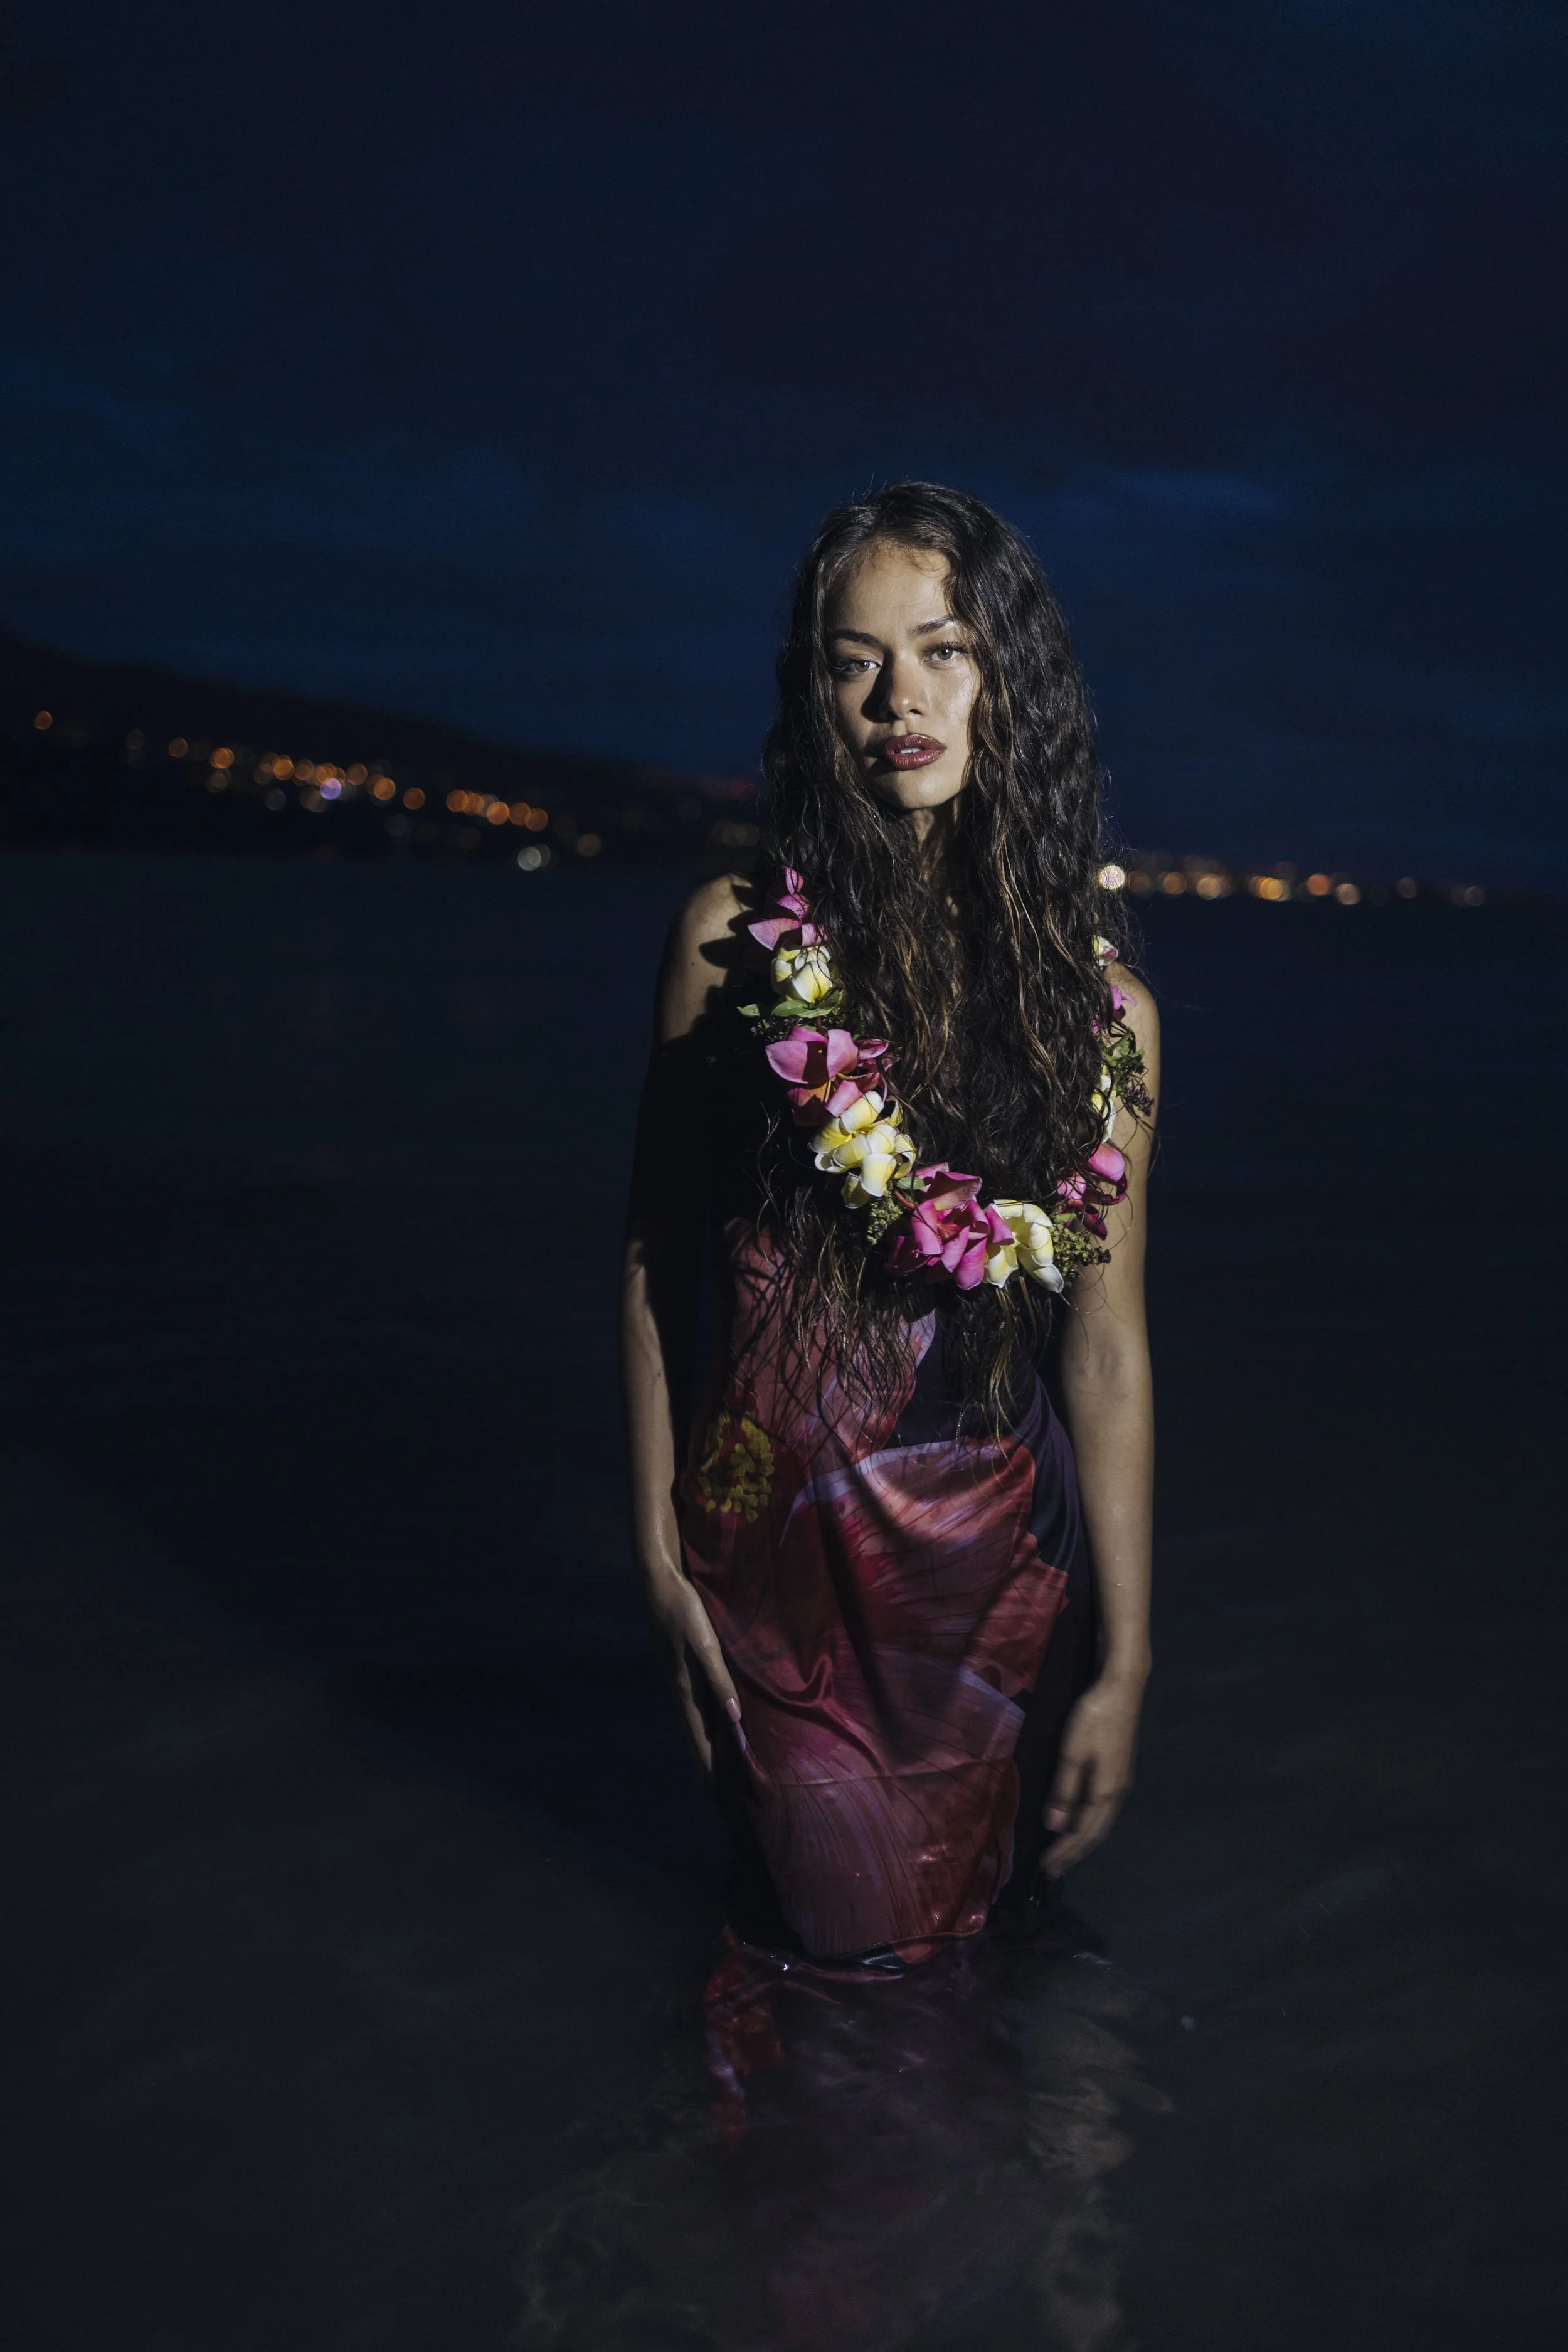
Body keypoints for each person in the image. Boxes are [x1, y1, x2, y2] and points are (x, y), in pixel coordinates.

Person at [622, 482, 1157, 1968]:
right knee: (825, 1947)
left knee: (981, 1943)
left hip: (1000, 1561)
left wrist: (1125, 1655)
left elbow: (1104, 1352)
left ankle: (1003, 2191)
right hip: (775, 1543)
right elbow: (658, 1257)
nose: (896, 699)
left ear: (1006, 679)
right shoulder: (730, 941)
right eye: (854, 660)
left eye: (940, 649)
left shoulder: (1102, 1018)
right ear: (814, 692)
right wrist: (656, 1548)